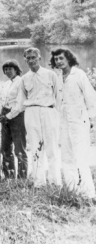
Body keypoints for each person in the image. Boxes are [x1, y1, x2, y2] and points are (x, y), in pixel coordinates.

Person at [14, 47, 62, 187]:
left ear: (39, 57)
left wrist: (56, 114)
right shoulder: (24, 79)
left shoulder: (51, 75)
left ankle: (55, 181)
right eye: (28, 58)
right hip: (31, 114)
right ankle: (39, 182)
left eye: (33, 57)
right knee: (35, 148)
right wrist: (7, 116)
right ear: (25, 60)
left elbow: (59, 98)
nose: (31, 60)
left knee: (52, 148)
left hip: (48, 112)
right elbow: (20, 103)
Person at [51, 48, 96, 198]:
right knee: (66, 157)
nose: (58, 61)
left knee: (81, 158)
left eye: (61, 58)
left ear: (68, 59)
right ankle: (71, 190)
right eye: (56, 59)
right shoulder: (58, 77)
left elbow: (90, 97)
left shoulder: (79, 75)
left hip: (79, 121)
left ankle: (88, 193)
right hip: (64, 122)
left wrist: (92, 119)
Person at [0, 60, 28, 179]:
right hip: (5, 115)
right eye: (6, 69)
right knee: (5, 147)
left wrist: (7, 116)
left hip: (17, 116)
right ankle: (9, 175)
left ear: (16, 69)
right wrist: (0, 114)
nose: (7, 71)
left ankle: (22, 178)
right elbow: (3, 100)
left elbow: (20, 104)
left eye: (10, 69)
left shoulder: (21, 82)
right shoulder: (7, 84)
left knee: (19, 149)